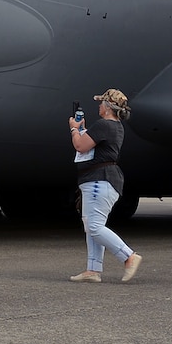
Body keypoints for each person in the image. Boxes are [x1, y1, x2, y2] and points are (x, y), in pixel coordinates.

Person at [68, 89, 140, 284]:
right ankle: (93, 269)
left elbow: (81, 146)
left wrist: (74, 128)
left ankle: (128, 256)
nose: (99, 106)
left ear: (108, 107)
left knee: (94, 225)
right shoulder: (114, 126)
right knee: (92, 225)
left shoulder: (103, 125)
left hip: (99, 180)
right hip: (103, 180)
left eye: (101, 103)